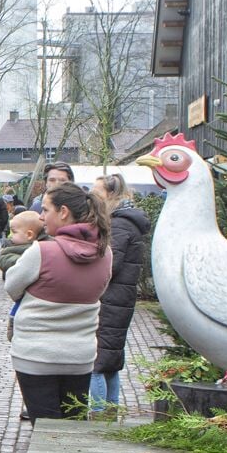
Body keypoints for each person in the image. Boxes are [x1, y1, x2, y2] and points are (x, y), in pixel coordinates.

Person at [5, 183, 112, 453]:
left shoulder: (42, 251)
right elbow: (100, 290)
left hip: (36, 357)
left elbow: (11, 285)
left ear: (63, 213)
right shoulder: (104, 252)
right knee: (73, 432)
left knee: (46, 435)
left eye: (46, 209)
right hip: (80, 358)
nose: (42, 216)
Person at [89, 174, 150, 413]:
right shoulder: (124, 221)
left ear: (110, 195)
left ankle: (100, 414)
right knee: (109, 361)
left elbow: (110, 263)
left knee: (96, 362)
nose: (92, 196)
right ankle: (110, 411)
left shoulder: (120, 224)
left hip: (111, 299)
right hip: (118, 299)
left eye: (97, 192)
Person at [0, 210, 44, 340]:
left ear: (29, 235)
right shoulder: (17, 247)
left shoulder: (32, 250)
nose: (10, 236)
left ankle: (13, 330)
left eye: (14, 232)